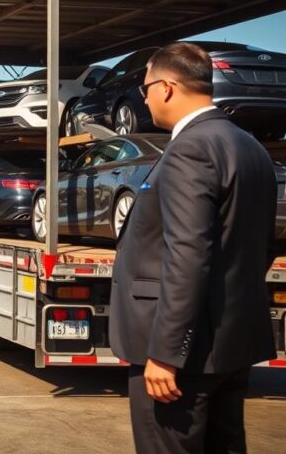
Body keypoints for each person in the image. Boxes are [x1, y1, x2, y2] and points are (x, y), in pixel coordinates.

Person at [110, 42, 278, 453]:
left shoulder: (191, 148)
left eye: (145, 87)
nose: (143, 97)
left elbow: (188, 254)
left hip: (183, 357)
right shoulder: (251, 147)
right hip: (229, 344)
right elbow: (260, 245)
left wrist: (166, 353)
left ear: (166, 87)